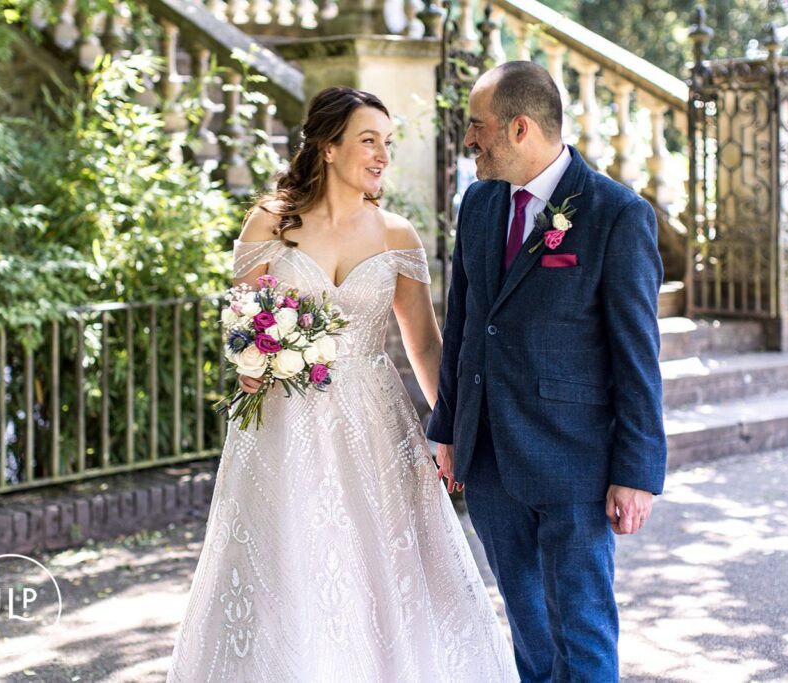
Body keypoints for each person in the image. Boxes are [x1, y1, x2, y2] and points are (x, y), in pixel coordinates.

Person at [167, 87, 518, 682]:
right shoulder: (270, 222)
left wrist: (451, 429)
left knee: (377, 567)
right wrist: (249, 360)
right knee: (288, 562)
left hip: (373, 425)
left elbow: (426, 345)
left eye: (388, 142)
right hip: (281, 420)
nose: (382, 154)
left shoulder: (396, 235)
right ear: (329, 147)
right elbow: (243, 319)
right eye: (368, 140)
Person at [426, 61, 668, 682]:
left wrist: (636, 472)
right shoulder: (478, 204)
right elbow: (463, 325)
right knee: (530, 633)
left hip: (575, 462)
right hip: (489, 459)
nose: (469, 140)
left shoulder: (617, 215)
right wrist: (448, 429)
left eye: (477, 127)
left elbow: (637, 356)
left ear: (520, 128)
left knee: (581, 629)